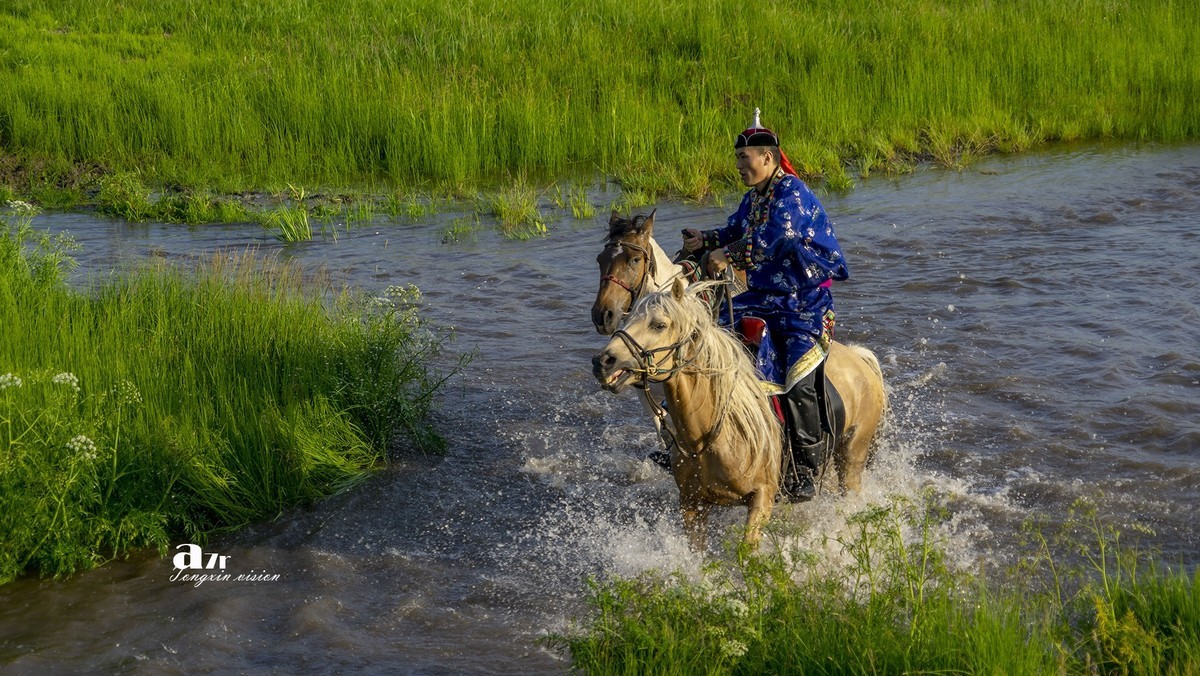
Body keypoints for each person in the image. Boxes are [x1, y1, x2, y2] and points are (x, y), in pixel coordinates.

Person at [681, 109, 848, 501]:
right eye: (738, 158)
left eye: (745, 158)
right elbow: (736, 230)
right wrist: (703, 239)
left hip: (802, 302)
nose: (739, 165)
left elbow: (775, 239)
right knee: (709, 344)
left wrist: (728, 254)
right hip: (763, 295)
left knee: (796, 381)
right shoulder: (753, 197)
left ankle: (806, 469)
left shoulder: (791, 192)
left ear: (768, 159)